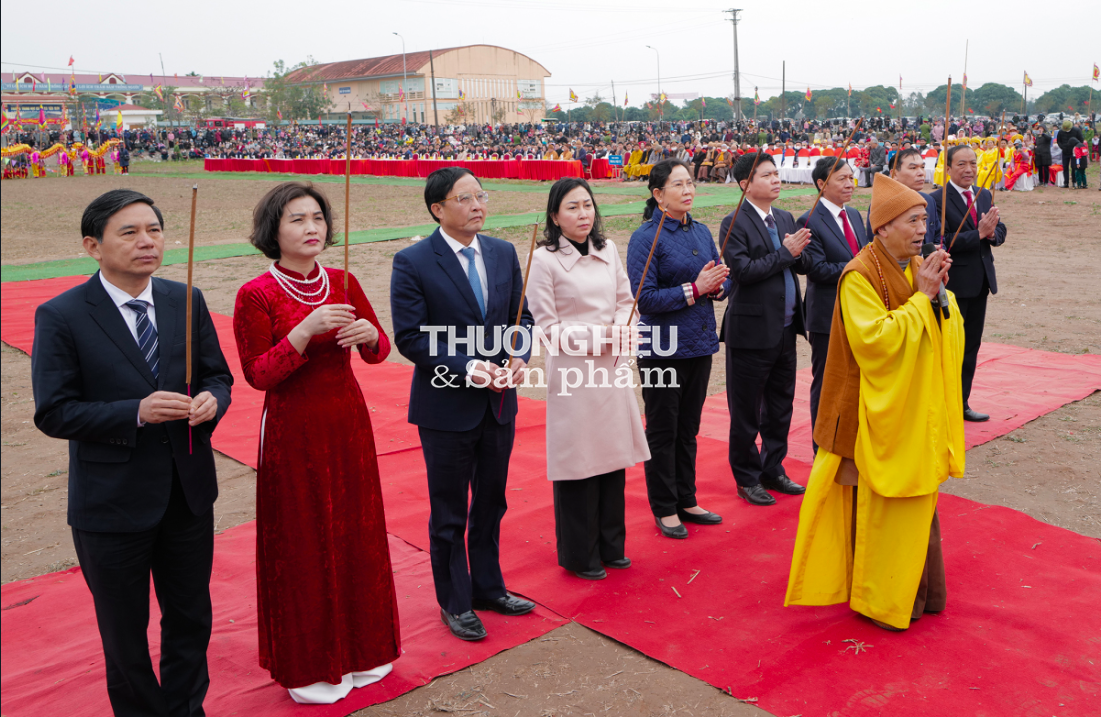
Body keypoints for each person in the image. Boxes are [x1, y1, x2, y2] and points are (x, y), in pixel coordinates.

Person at [31, 189, 234, 716]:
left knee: (190, 617)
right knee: (124, 631)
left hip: (187, 493)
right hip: (111, 502)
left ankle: (188, 709)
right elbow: (54, 411)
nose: (147, 242)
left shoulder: (183, 299)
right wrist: (135, 412)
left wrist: (214, 399)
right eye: (130, 232)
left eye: (154, 230)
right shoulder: (62, 315)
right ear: (92, 246)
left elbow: (216, 374)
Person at [232, 182, 400, 704]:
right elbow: (259, 374)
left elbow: (379, 351)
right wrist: (303, 332)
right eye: (297, 220)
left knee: (357, 530)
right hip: (292, 430)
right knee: (303, 541)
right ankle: (311, 666)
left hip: (347, 422)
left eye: (318, 218)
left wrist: (369, 336)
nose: (312, 228)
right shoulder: (255, 294)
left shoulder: (344, 280)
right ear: (272, 231)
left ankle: (365, 650)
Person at [785, 173, 964, 631]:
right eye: (912, 220)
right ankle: (881, 600)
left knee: (919, 502)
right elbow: (877, 344)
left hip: (912, 411)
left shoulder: (912, 264)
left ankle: (922, 593)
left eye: (925, 219)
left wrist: (939, 296)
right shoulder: (859, 275)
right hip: (875, 415)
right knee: (882, 506)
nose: (923, 229)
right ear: (883, 227)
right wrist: (923, 300)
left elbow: (948, 327)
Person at [390, 167, 536, 642]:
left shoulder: (502, 252)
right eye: (464, 198)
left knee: (492, 501)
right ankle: (454, 601)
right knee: (450, 509)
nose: (477, 205)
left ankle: (488, 588)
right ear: (438, 209)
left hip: (499, 404)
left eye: (481, 195)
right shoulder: (413, 261)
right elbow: (411, 338)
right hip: (446, 408)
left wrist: (517, 355)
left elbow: (522, 317)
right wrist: (469, 367)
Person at [527, 178, 650, 578]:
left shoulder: (607, 248)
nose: (583, 214)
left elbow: (625, 301)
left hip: (611, 367)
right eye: (572, 208)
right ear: (554, 216)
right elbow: (546, 327)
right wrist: (604, 336)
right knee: (578, 462)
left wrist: (621, 330)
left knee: (612, 458)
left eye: (587, 205)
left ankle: (612, 545)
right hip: (573, 371)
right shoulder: (543, 259)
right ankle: (581, 554)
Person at [627, 159, 730, 538]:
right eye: (678, 185)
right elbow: (646, 299)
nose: (688, 190)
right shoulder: (645, 238)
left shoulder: (701, 232)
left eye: (690, 184)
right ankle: (665, 505)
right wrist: (696, 289)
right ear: (658, 194)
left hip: (699, 343)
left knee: (689, 427)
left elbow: (719, 278)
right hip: (661, 348)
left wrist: (719, 285)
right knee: (663, 428)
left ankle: (687, 497)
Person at [720, 152, 811, 506]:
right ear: (746, 185)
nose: (776, 179)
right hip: (751, 333)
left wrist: (800, 252)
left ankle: (774, 468)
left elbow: (798, 266)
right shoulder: (733, 222)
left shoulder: (785, 217)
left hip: (786, 329)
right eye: (767, 174)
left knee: (780, 406)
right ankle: (746, 476)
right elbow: (743, 272)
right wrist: (787, 252)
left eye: (776, 173)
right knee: (746, 412)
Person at [928, 144, 1007, 422]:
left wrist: (992, 233)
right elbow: (939, 241)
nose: (969, 169)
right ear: (947, 168)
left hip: (982, 281)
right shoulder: (936, 199)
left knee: (971, 345)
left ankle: (961, 402)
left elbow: (999, 229)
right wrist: (979, 235)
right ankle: (941, 403)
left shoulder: (984, 194)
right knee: (949, 346)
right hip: (954, 283)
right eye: (961, 164)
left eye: (973, 164)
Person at [797, 157, 868, 446]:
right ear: (821, 184)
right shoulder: (809, 219)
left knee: (856, 379)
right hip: (827, 314)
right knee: (827, 384)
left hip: (861, 312)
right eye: (842, 179)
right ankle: (822, 446)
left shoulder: (853, 215)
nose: (850, 184)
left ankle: (851, 441)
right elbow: (816, 269)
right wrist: (858, 268)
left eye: (851, 177)